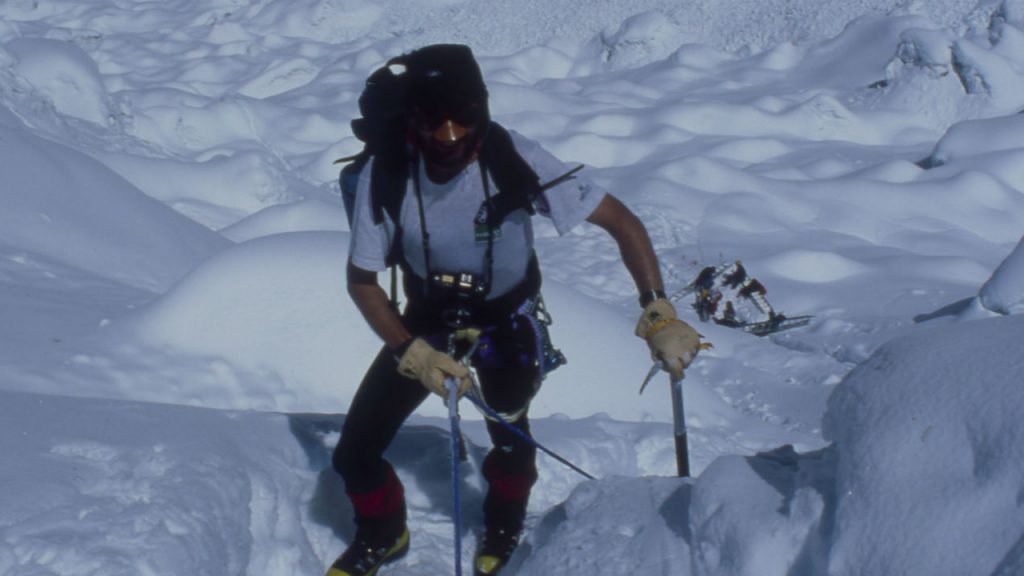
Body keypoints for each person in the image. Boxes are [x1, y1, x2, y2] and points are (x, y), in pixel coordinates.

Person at [328, 44, 701, 576]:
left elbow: (621, 221)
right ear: (412, 119)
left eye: (463, 118)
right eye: (434, 120)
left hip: (507, 320)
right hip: (427, 321)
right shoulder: (386, 173)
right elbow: (362, 281)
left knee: (511, 435)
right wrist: (412, 352)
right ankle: (384, 533)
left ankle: (503, 524)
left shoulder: (512, 156)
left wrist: (657, 310)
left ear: (482, 110)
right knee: (355, 453)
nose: (449, 135)